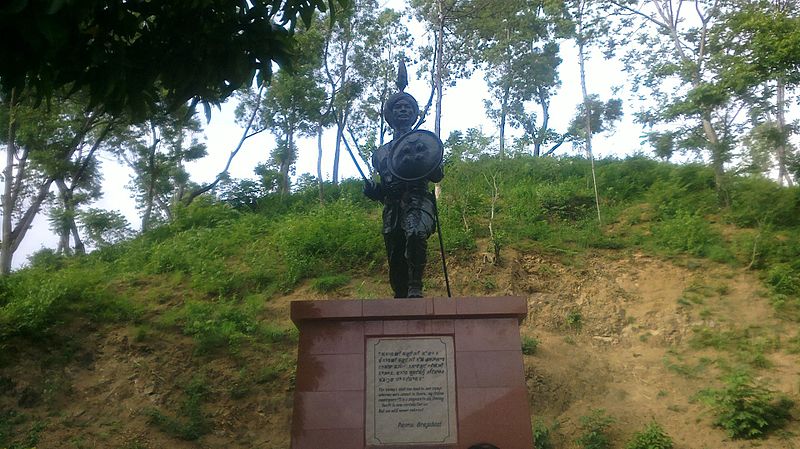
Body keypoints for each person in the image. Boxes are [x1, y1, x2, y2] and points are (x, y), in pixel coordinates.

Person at [363, 91, 443, 298]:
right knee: (395, 255)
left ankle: (416, 286)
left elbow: (437, 175)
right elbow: (383, 190)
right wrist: (373, 191)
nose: (403, 110)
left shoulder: (423, 143)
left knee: (416, 233)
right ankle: (400, 295)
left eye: (408, 107)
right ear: (390, 114)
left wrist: (427, 160)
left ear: (414, 114)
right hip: (393, 208)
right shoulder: (380, 153)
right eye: (398, 107)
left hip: (418, 199)